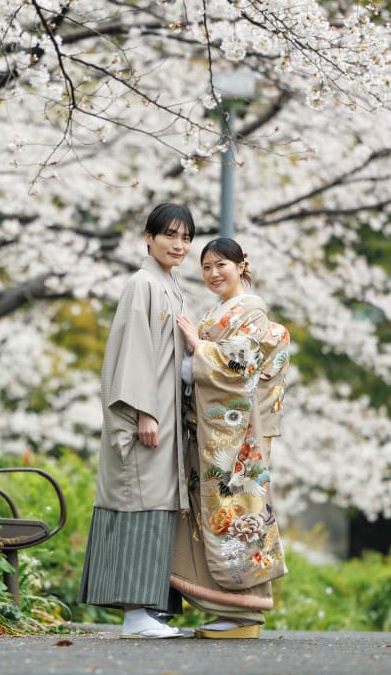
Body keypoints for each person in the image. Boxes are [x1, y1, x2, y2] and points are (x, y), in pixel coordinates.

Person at [77, 203, 195, 639]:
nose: (179, 245)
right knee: (136, 502)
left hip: (165, 418)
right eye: (170, 235)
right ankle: (134, 614)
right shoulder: (141, 283)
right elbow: (133, 352)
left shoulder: (170, 285)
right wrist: (144, 411)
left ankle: (150, 609)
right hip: (146, 418)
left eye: (185, 237)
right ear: (148, 237)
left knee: (159, 504)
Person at [172, 237, 291, 639]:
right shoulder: (218, 313)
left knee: (239, 514)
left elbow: (241, 367)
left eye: (221, 264)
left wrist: (199, 348)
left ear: (242, 265)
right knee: (220, 515)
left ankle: (245, 614)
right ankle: (231, 610)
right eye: (206, 267)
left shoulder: (251, 312)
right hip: (217, 431)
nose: (213, 273)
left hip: (236, 437)